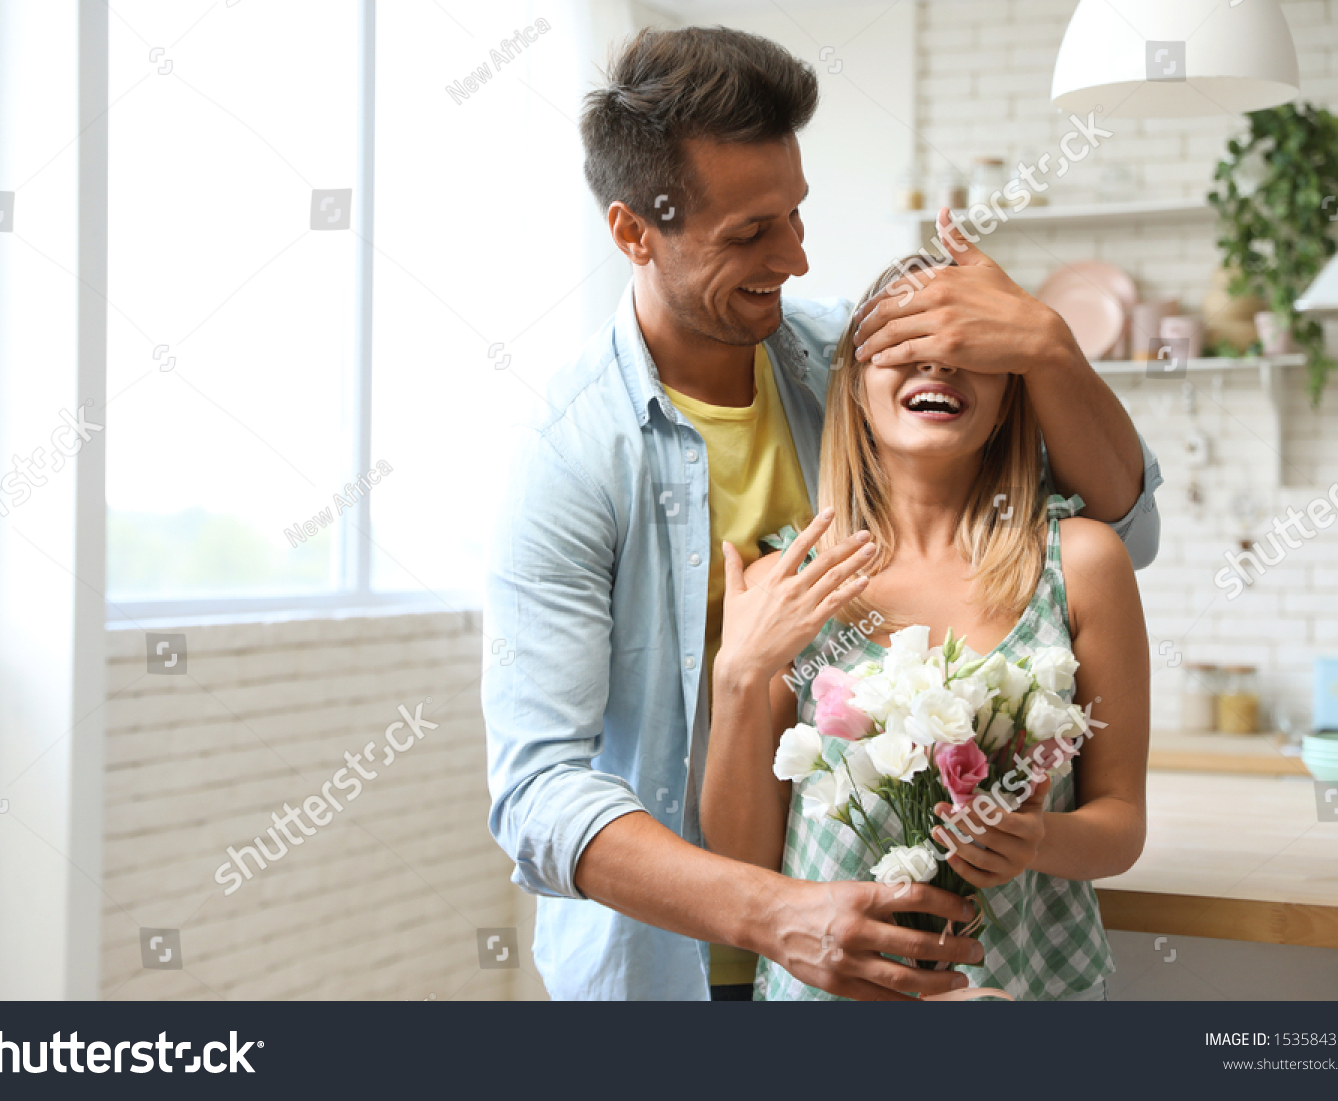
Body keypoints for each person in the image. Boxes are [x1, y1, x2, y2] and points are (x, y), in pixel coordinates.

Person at [482, 26, 1162, 1001]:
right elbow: (536, 795)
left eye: (794, 216)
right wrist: (778, 915)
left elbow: (1120, 526)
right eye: (751, 234)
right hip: (666, 973)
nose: (796, 259)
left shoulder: (847, 358)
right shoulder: (570, 461)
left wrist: (1049, 349)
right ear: (635, 233)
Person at [700, 254, 1151, 1001]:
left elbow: (1122, 825)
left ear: (1011, 395)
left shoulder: (1084, 564)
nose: (938, 364)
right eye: (905, 345)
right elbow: (746, 859)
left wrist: (1036, 839)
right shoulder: (791, 580)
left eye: (971, 351)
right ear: (853, 386)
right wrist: (739, 674)